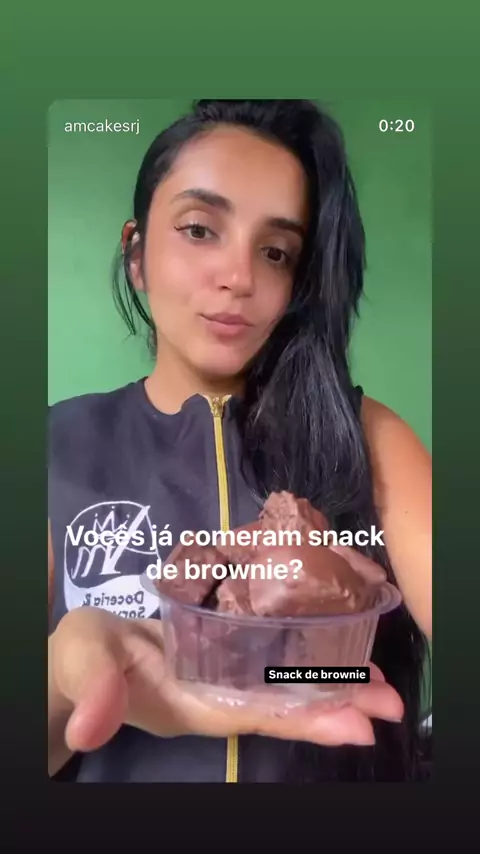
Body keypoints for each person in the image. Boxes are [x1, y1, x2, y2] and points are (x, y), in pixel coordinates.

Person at [48, 99, 432, 783]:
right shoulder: (54, 446)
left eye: (276, 251)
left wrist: (294, 671)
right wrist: (60, 681)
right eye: (200, 229)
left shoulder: (372, 438)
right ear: (135, 253)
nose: (240, 277)